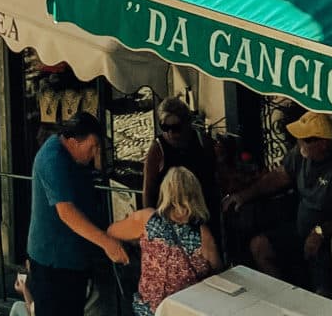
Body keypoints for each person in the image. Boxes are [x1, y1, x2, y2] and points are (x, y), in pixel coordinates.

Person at [224, 111, 332, 297]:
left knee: (322, 292)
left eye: (304, 140)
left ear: (323, 143)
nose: (299, 143)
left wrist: (321, 232)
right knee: (260, 246)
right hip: (299, 229)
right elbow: (280, 175)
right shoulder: (302, 154)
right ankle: (285, 300)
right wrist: (244, 195)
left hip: (328, 241)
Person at [27, 112, 128, 316]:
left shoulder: (74, 156)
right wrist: (107, 242)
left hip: (73, 258)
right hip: (54, 262)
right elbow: (66, 212)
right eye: (92, 147)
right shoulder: (52, 159)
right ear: (73, 142)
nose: (94, 153)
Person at [109, 167, 222, 316]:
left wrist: (137, 242)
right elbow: (218, 273)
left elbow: (111, 232)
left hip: (149, 310)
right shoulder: (203, 233)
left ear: (165, 192)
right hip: (184, 310)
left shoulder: (146, 219)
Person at [142, 99, 222, 223]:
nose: (170, 133)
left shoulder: (202, 142)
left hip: (202, 211)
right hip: (171, 217)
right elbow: (149, 190)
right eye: (165, 127)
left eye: (176, 128)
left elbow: (214, 177)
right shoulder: (158, 149)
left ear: (187, 124)